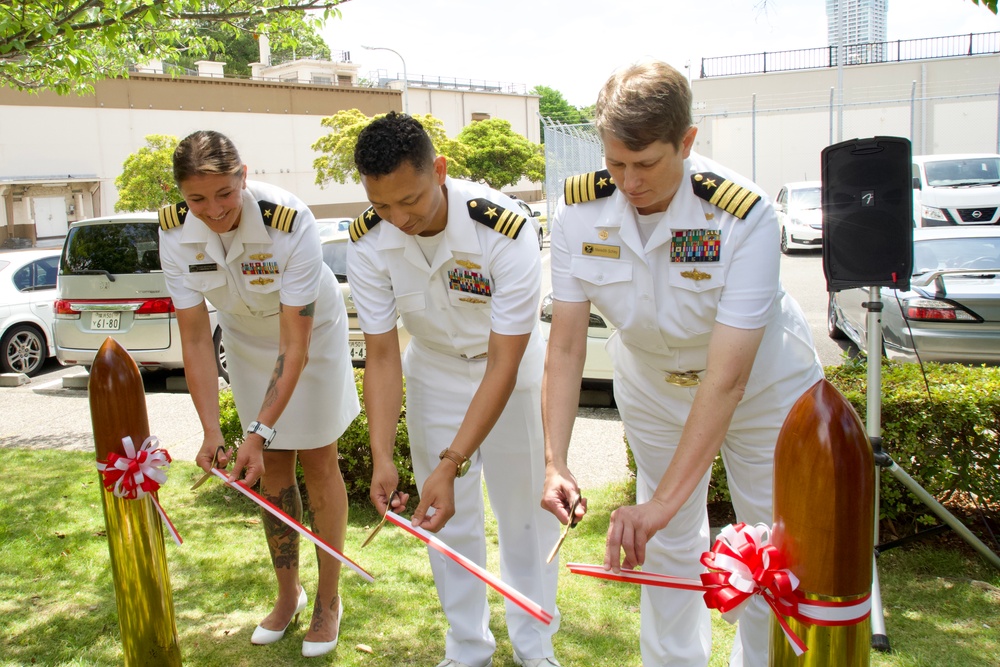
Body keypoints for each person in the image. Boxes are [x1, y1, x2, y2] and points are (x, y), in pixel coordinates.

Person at [540, 61, 824, 667]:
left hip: (760, 390)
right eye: (616, 163)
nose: (629, 181)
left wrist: (664, 499)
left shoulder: (742, 215)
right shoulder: (578, 214)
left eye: (646, 164)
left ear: (688, 141)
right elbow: (564, 346)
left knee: (770, 545)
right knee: (662, 542)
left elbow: (727, 378)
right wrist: (556, 461)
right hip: (652, 385)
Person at [347, 112, 561, 667]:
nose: (398, 218)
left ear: (438, 170)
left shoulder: (505, 228)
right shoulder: (369, 241)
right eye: (382, 206)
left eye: (410, 200)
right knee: (446, 517)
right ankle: (467, 648)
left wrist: (452, 460)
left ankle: (535, 649)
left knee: (524, 517)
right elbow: (383, 351)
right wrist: (380, 455)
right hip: (434, 371)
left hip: (509, 375)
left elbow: (504, 361)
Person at [158, 130, 360, 659]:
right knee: (271, 468)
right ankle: (288, 591)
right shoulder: (175, 232)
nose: (213, 209)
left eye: (225, 193)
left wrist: (260, 429)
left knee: (318, 460)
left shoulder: (288, 220)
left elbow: (295, 347)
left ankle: (328, 599)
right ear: (180, 193)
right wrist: (211, 429)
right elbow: (197, 338)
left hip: (307, 336)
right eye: (196, 198)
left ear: (243, 176)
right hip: (245, 340)